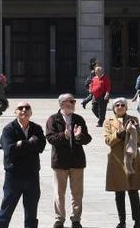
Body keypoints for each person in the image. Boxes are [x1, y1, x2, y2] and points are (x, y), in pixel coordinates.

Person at [0, 101, 46, 228]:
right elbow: (9, 150)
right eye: (20, 108)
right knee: (6, 211)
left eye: (27, 108)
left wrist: (20, 144)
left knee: (31, 214)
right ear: (15, 112)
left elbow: (40, 147)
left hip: (32, 176)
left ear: (31, 112)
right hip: (14, 177)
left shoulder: (36, 128)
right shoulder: (9, 129)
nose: (24, 110)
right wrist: (28, 144)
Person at [45, 93, 92, 228]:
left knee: (77, 193)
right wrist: (64, 135)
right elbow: (50, 138)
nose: (72, 104)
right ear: (62, 104)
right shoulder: (53, 119)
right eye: (70, 101)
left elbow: (87, 139)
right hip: (60, 162)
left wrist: (78, 137)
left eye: (73, 101)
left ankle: (76, 219)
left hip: (77, 161)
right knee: (59, 193)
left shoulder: (78, 119)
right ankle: (59, 219)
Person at [104, 98, 140, 228]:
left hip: (132, 159)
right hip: (117, 161)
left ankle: (137, 221)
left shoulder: (133, 119)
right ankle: (122, 221)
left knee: (133, 191)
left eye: (123, 105)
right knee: (119, 192)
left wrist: (133, 130)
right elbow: (108, 141)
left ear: (126, 107)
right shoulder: (108, 121)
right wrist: (123, 132)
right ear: (113, 108)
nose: (120, 107)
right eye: (117, 105)